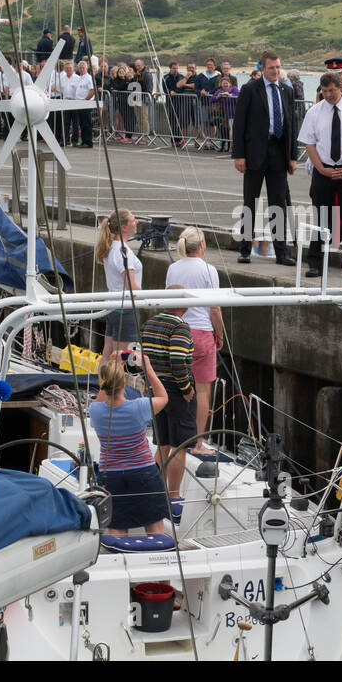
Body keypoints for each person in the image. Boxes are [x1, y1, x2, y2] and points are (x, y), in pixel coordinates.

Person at [89, 353, 169, 537]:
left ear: (103, 384)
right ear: (124, 384)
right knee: (154, 526)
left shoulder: (96, 411)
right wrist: (147, 369)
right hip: (144, 473)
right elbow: (163, 397)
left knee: (116, 527)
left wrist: (113, 366)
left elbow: (102, 396)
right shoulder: (139, 407)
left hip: (111, 476)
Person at [299, 72, 342, 277]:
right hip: (324, 170)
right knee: (322, 220)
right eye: (325, 91)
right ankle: (316, 263)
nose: (328, 95)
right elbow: (309, 143)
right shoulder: (314, 112)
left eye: (332, 90)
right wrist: (321, 168)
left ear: (341, 87)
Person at [165, 228, 225, 457]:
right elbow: (215, 308)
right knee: (201, 391)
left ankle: (172, 439)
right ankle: (197, 442)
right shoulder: (209, 270)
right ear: (202, 244)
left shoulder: (173, 268)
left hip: (176, 331)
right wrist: (218, 335)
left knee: (175, 386)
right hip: (200, 334)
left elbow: (168, 301)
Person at [233, 51, 297, 264]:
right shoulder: (250, 89)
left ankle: (281, 252)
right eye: (272, 68)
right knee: (250, 202)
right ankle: (244, 249)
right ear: (262, 68)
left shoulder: (286, 91)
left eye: (278, 67)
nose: (276, 71)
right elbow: (239, 123)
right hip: (254, 153)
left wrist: (293, 156)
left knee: (278, 204)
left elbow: (291, 126)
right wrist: (239, 155)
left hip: (279, 152)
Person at [138, 292, 196, 511]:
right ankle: (174, 497)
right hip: (176, 391)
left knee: (162, 445)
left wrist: (150, 382)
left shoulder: (148, 324)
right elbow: (178, 361)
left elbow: (142, 358)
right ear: (184, 306)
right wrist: (186, 389)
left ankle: (153, 493)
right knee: (180, 445)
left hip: (155, 389)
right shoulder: (180, 327)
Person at [96, 209, 142, 359]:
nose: (137, 222)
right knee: (120, 358)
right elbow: (130, 286)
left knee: (108, 353)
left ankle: (102, 382)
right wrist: (146, 297)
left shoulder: (110, 248)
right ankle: (113, 383)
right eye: (133, 219)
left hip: (112, 307)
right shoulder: (123, 251)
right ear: (123, 227)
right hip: (125, 308)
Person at [65, 59, 96, 148]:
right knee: (82, 124)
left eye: (83, 68)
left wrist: (85, 100)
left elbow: (92, 90)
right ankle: (83, 141)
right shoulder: (80, 77)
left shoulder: (88, 77)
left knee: (87, 124)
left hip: (85, 103)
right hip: (79, 103)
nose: (81, 69)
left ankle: (88, 142)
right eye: (80, 68)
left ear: (86, 68)